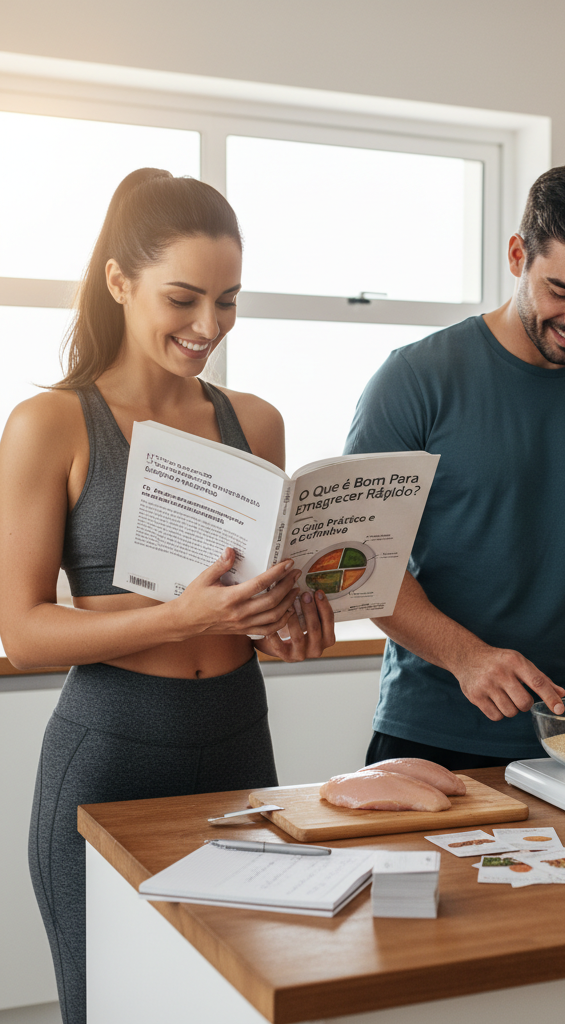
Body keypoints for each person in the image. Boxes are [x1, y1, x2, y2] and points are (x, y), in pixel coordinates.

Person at [0, 168, 336, 1024]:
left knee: (237, 1007)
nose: (208, 326)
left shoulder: (255, 422)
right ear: (120, 282)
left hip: (238, 749)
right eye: (184, 299)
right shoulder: (51, 424)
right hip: (109, 756)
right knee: (107, 1010)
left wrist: (284, 628)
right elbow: (24, 634)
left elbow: (248, 612)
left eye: (227, 302)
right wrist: (183, 617)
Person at [344, 158, 565, 769]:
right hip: (431, 732)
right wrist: (466, 656)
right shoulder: (414, 380)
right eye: (562, 291)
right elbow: (358, 561)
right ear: (516, 256)